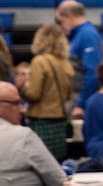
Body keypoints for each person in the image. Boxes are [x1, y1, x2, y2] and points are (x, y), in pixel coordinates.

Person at [20, 23, 75, 162]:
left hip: (41, 120)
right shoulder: (65, 64)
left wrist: (22, 87)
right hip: (59, 120)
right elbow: (68, 95)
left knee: (39, 161)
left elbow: (34, 94)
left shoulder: (39, 61)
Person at [55, 0, 103, 118]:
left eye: (62, 21)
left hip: (80, 99)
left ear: (69, 16)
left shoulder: (87, 35)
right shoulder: (78, 35)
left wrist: (81, 104)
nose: (62, 26)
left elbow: (93, 72)